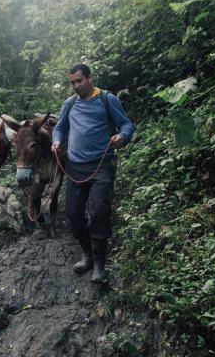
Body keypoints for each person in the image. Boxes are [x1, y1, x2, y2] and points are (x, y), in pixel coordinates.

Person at [51, 63, 134, 284]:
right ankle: (86, 253)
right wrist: (57, 141)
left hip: (101, 165)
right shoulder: (69, 104)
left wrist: (122, 137)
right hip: (75, 167)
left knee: (98, 213)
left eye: (79, 81)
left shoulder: (107, 99)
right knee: (73, 214)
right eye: (73, 83)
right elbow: (60, 128)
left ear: (90, 78)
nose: (76, 86)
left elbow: (126, 125)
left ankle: (99, 263)